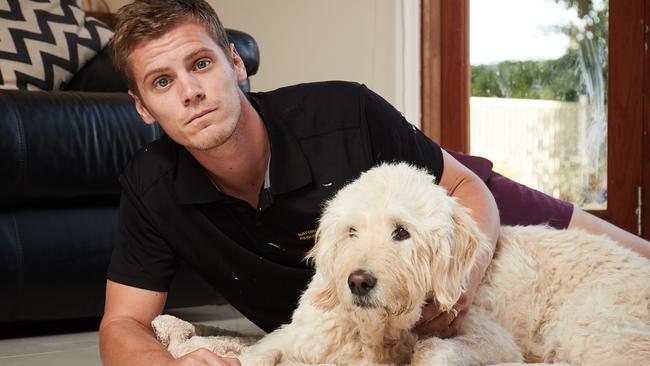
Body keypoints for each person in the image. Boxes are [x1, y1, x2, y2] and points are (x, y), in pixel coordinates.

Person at [98, 1, 650, 365]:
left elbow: (465, 191)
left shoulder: (345, 109)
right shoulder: (152, 186)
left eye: (201, 64)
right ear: (143, 107)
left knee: (632, 260)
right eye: (163, 81)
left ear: (237, 65)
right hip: (362, 284)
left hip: (447, 202)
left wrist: (459, 286)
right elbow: (121, 324)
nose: (190, 92)